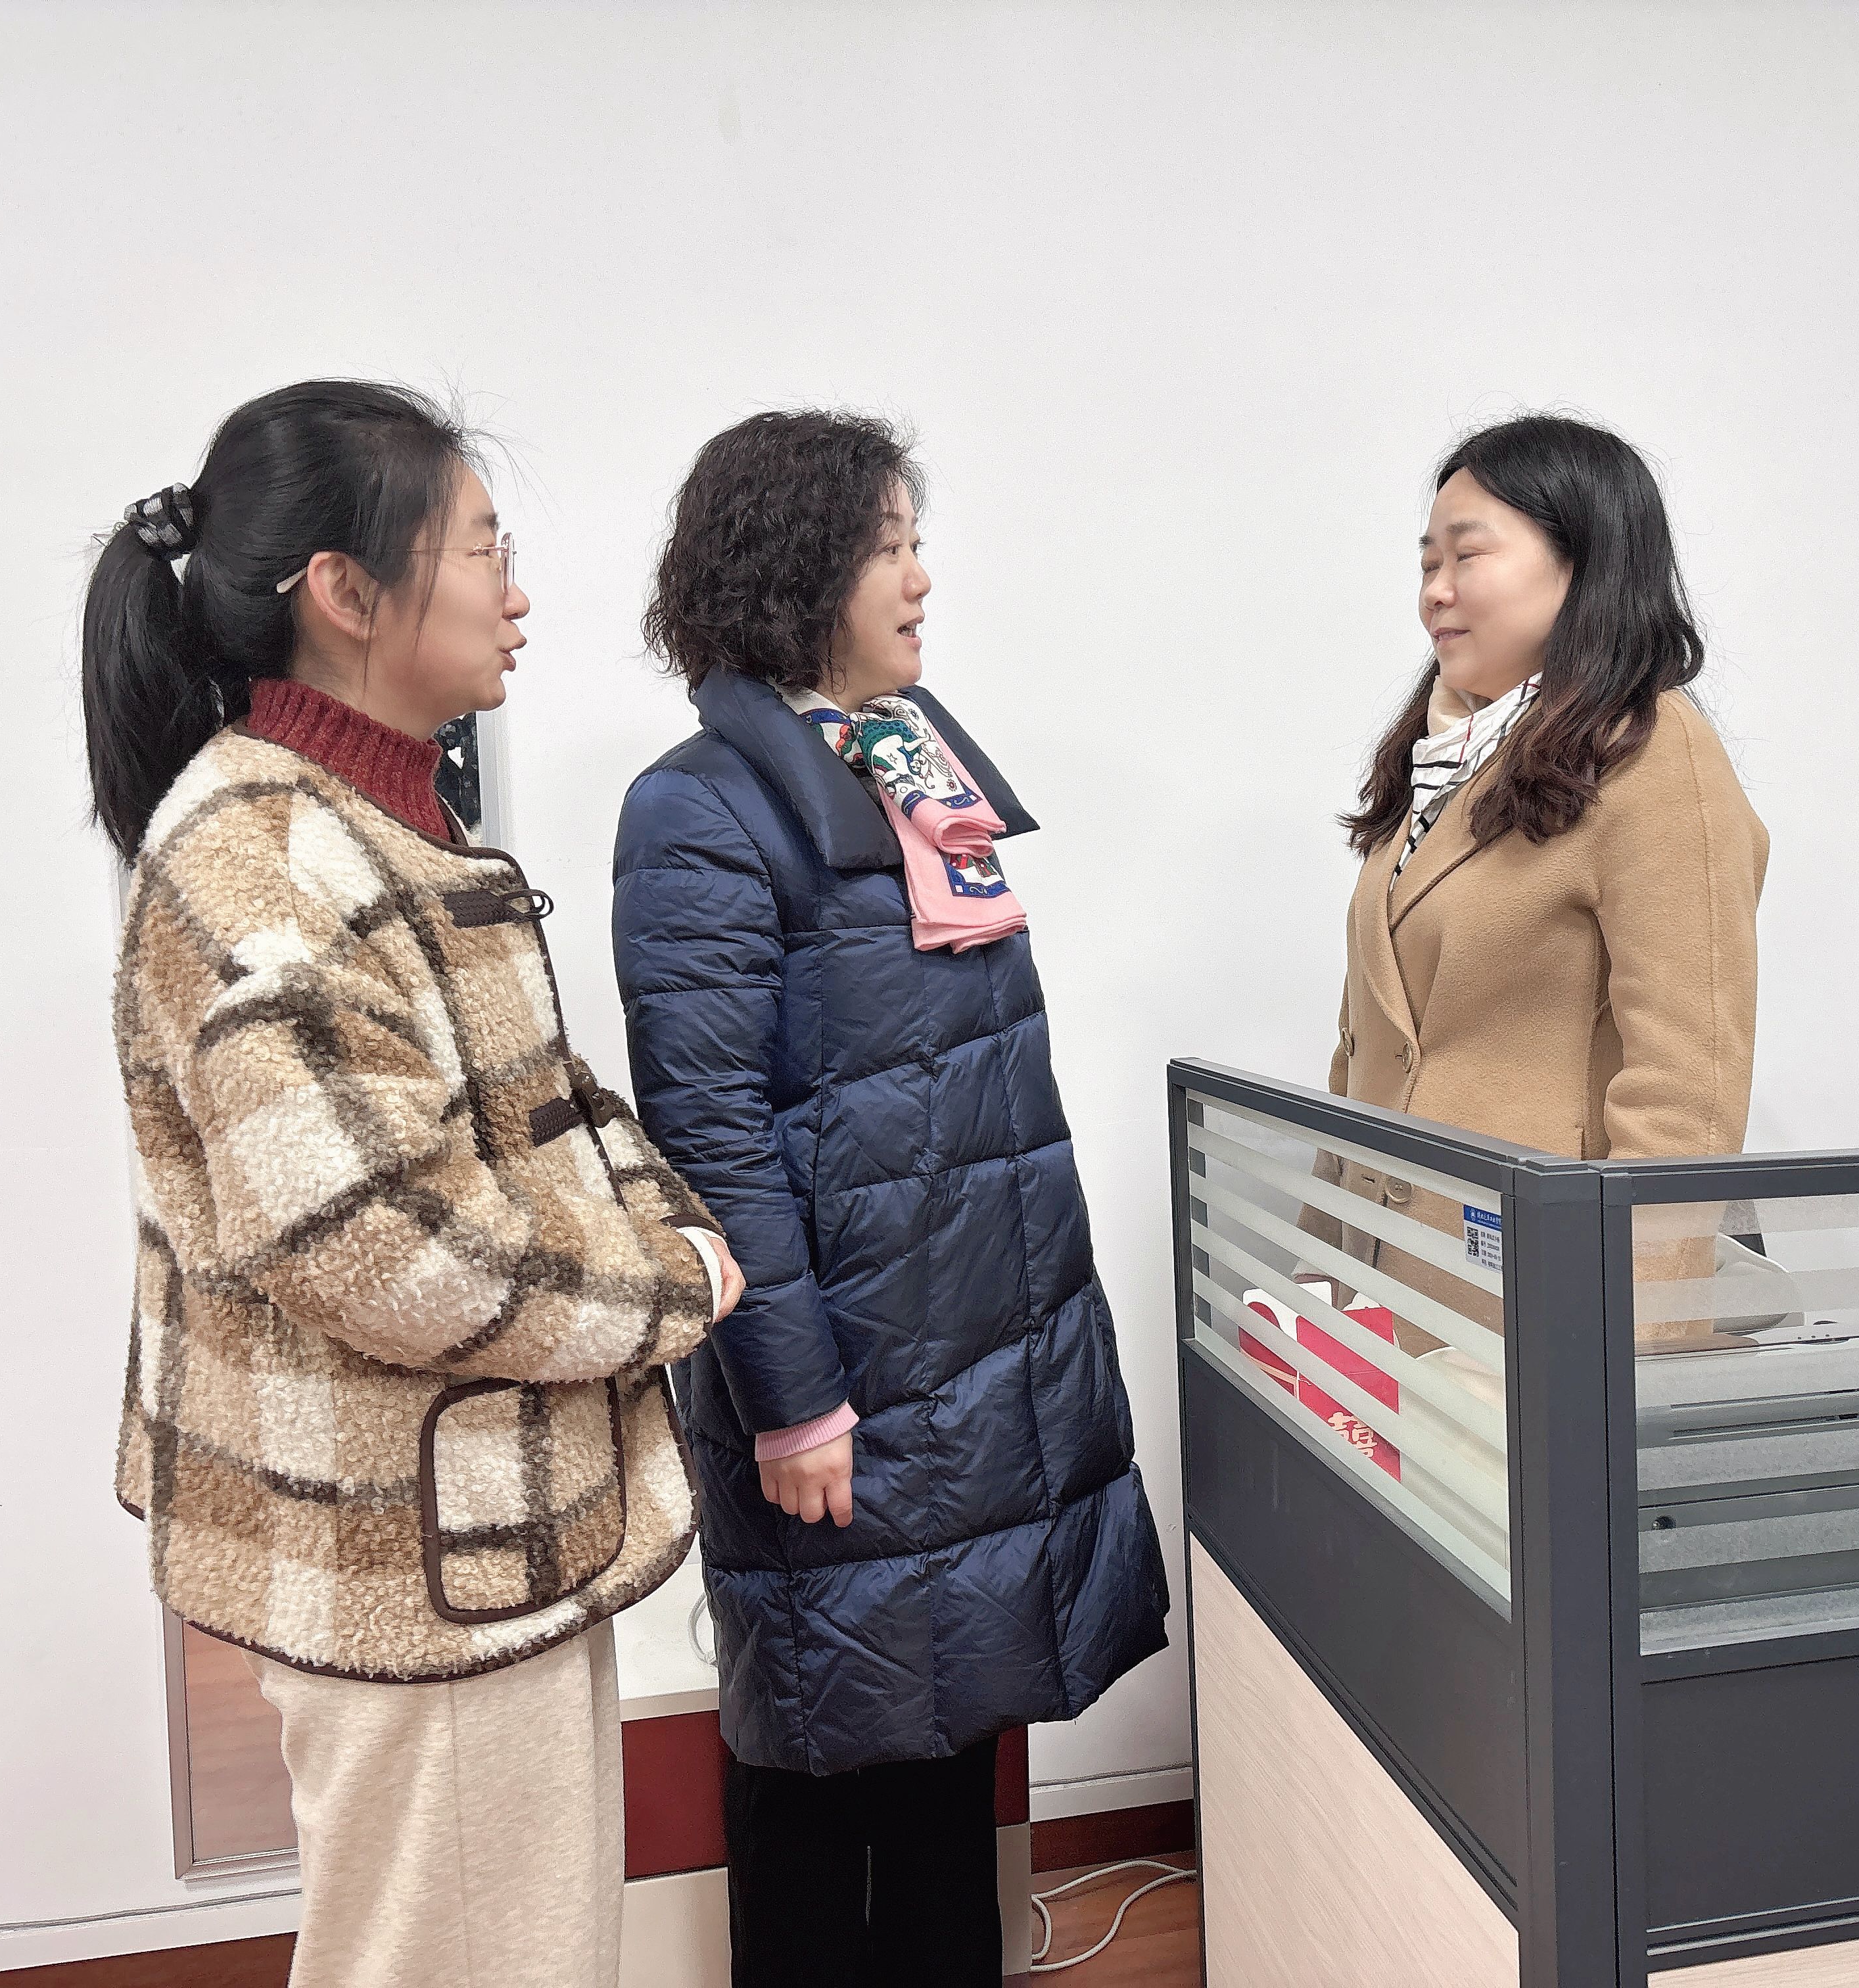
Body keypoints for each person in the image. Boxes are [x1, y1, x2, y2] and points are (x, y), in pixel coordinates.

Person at [84, 380, 743, 1988]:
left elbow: (542, 1107)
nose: (516, 594)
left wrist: (668, 1218)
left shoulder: (373, 815)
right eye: (482, 548)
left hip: (474, 1532)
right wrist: (675, 1285)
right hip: (408, 1556)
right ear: (345, 591)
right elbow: (381, 1246)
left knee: (515, 1944)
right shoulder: (260, 857)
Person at [614, 409, 1170, 1987]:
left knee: (946, 1735)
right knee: (816, 1746)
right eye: (889, 548)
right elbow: (711, 1132)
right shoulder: (698, 808)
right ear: (800, 572)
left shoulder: (910, 766)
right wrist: (790, 1399)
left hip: (968, 1360)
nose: (921, 579)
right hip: (844, 1380)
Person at [1311, 412, 1769, 1363]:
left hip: (1540, 1312)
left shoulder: (1656, 755)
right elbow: (1366, 1050)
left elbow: (1686, 1097)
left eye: (1467, 556)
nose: (1435, 591)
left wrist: (1626, 1352)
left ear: (1582, 562)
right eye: (1427, 563)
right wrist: (1318, 1271)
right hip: (1397, 1292)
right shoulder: (1448, 759)